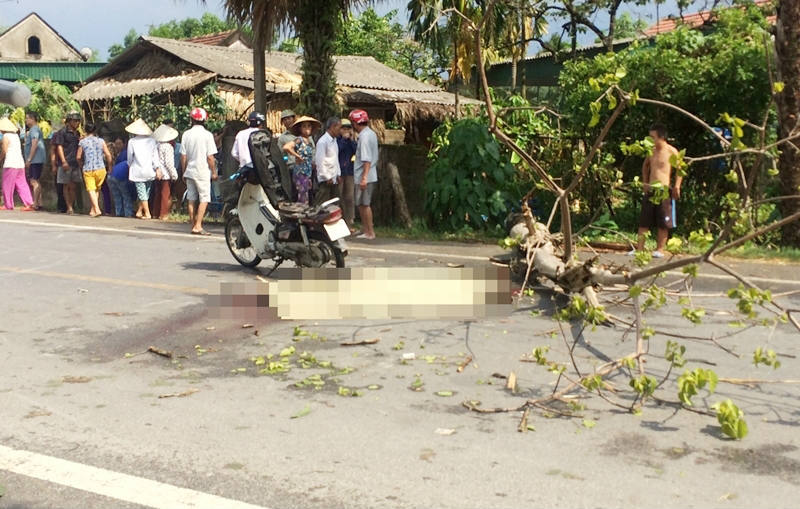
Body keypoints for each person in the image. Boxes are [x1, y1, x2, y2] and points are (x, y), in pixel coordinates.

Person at [631, 123, 683, 258]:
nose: (650, 140)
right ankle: (640, 248)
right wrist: (645, 181)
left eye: (652, 137)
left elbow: (680, 170)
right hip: (651, 190)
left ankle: (660, 249)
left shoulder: (672, 151)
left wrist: (677, 186)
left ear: (661, 137)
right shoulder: (651, 150)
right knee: (644, 220)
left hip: (664, 189)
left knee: (663, 222)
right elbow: (645, 166)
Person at [180, 107, 218, 235]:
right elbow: (210, 157)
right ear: (204, 120)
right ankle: (198, 225)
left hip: (190, 170)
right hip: (202, 171)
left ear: (191, 119)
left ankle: (193, 225)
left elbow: (183, 156)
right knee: (204, 198)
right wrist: (214, 172)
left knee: (191, 198)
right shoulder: (207, 135)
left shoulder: (186, 134)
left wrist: (183, 172)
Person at [350, 109, 378, 239]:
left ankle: (369, 232)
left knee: (364, 204)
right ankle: (366, 229)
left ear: (356, 123)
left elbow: (366, 159)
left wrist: (364, 178)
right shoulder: (370, 134)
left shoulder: (365, 137)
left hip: (365, 175)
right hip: (367, 174)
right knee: (361, 204)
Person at [126, 118, 161, 220]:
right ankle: (139, 211)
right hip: (150, 170)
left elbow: (129, 157)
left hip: (138, 170)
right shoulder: (152, 141)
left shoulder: (132, 142)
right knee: (146, 192)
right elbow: (155, 157)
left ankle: (148, 213)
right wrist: (157, 168)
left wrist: (129, 165)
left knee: (142, 193)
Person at [76, 122, 112, 217]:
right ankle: (93, 210)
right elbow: (108, 154)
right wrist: (110, 166)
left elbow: (78, 157)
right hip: (101, 168)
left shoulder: (82, 142)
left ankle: (97, 209)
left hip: (88, 168)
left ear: (85, 130)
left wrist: (81, 165)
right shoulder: (101, 141)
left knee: (91, 189)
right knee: (96, 189)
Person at [282, 116, 320, 205]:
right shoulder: (299, 140)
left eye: (309, 126)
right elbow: (286, 147)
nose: (307, 128)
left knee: (307, 196)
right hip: (301, 173)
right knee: (302, 197)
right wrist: (297, 156)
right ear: (300, 128)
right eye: (304, 126)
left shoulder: (309, 141)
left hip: (308, 172)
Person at [0, 117, 34, 211]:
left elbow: (4, 150)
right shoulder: (15, 136)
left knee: (7, 185)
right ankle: (29, 203)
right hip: (19, 163)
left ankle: (8, 205)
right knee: (22, 184)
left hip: (10, 163)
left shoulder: (6, 136)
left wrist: (0, 158)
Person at [52, 111, 83, 214]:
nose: (77, 123)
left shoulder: (77, 133)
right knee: (66, 185)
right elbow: (59, 147)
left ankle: (71, 205)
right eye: (75, 121)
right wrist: (63, 161)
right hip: (66, 162)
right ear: (69, 121)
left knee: (73, 186)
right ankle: (69, 207)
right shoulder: (62, 132)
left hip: (75, 162)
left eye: (78, 121)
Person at [152, 124, 179, 220]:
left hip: (158, 172)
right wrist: (174, 175)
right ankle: (164, 214)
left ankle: (155, 212)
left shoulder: (157, 145)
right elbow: (169, 163)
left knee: (158, 193)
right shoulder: (168, 147)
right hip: (166, 174)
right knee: (165, 194)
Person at [314, 117, 341, 206]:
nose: (340, 130)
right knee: (322, 204)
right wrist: (326, 177)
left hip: (334, 178)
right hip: (326, 179)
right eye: (339, 127)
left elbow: (335, 159)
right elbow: (319, 161)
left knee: (334, 204)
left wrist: (338, 174)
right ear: (333, 127)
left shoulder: (334, 141)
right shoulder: (323, 142)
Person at [337, 118, 357, 230]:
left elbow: (356, 151)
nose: (346, 130)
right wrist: (344, 140)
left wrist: (351, 139)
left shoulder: (351, 141)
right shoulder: (337, 140)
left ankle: (350, 220)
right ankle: (340, 220)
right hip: (339, 172)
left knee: (349, 197)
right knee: (339, 196)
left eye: (348, 128)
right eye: (343, 128)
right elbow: (338, 150)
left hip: (349, 171)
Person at [107, 135, 135, 217]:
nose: (117, 146)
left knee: (117, 196)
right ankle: (128, 213)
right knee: (125, 195)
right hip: (120, 176)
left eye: (119, 143)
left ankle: (119, 212)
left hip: (112, 175)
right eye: (116, 144)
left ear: (124, 144)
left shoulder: (123, 154)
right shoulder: (126, 154)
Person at [23, 111, 45, 210]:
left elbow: (34, 144)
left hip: (35, 160)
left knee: (34, 181)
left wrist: (29, 159)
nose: (26, 120)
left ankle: (35, 203)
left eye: (27, 118)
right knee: (36, 180)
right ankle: (39, 202)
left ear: (32, 119)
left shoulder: (34, 130)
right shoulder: (33, 130)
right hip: (36, 159)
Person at [277, 109, 297, 196]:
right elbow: (281, 154)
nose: (287, 121)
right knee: (295, 191)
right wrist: (285, 161)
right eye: (284, 119)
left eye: (289, 118)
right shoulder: (282, 138)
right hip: (292, 167)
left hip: (306, 166)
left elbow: (312, 148)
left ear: (293, 119)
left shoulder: (302, 132)